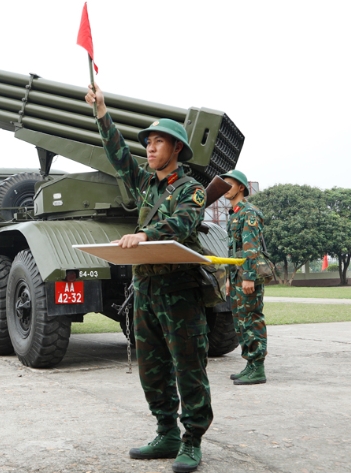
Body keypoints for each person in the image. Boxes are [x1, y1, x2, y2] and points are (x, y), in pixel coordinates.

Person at [85, 84, 211, 473]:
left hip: (179, 291)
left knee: (188, 365)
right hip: (146, 289)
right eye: (149, 142)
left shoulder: (192, 190)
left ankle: (191, 440)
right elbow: (119, 157)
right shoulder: (145, 184)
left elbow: (183, 223)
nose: (151, 148)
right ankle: (165, 433)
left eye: (159, 143)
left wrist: (146, 234)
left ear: (176, 150)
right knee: (151, 366)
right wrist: (102, 113)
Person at [220, 169, 267, 385]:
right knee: (240, 321)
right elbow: (233, 252)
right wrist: (230, 278)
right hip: (238, 276)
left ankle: (258, 368)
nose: (225, 188)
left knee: (251, 319)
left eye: (229, 184)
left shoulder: (249, 213)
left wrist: (248, 277)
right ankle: (250, 364)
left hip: (248, 276)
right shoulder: (235, 214)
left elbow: (251, 248)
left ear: (240, 187)